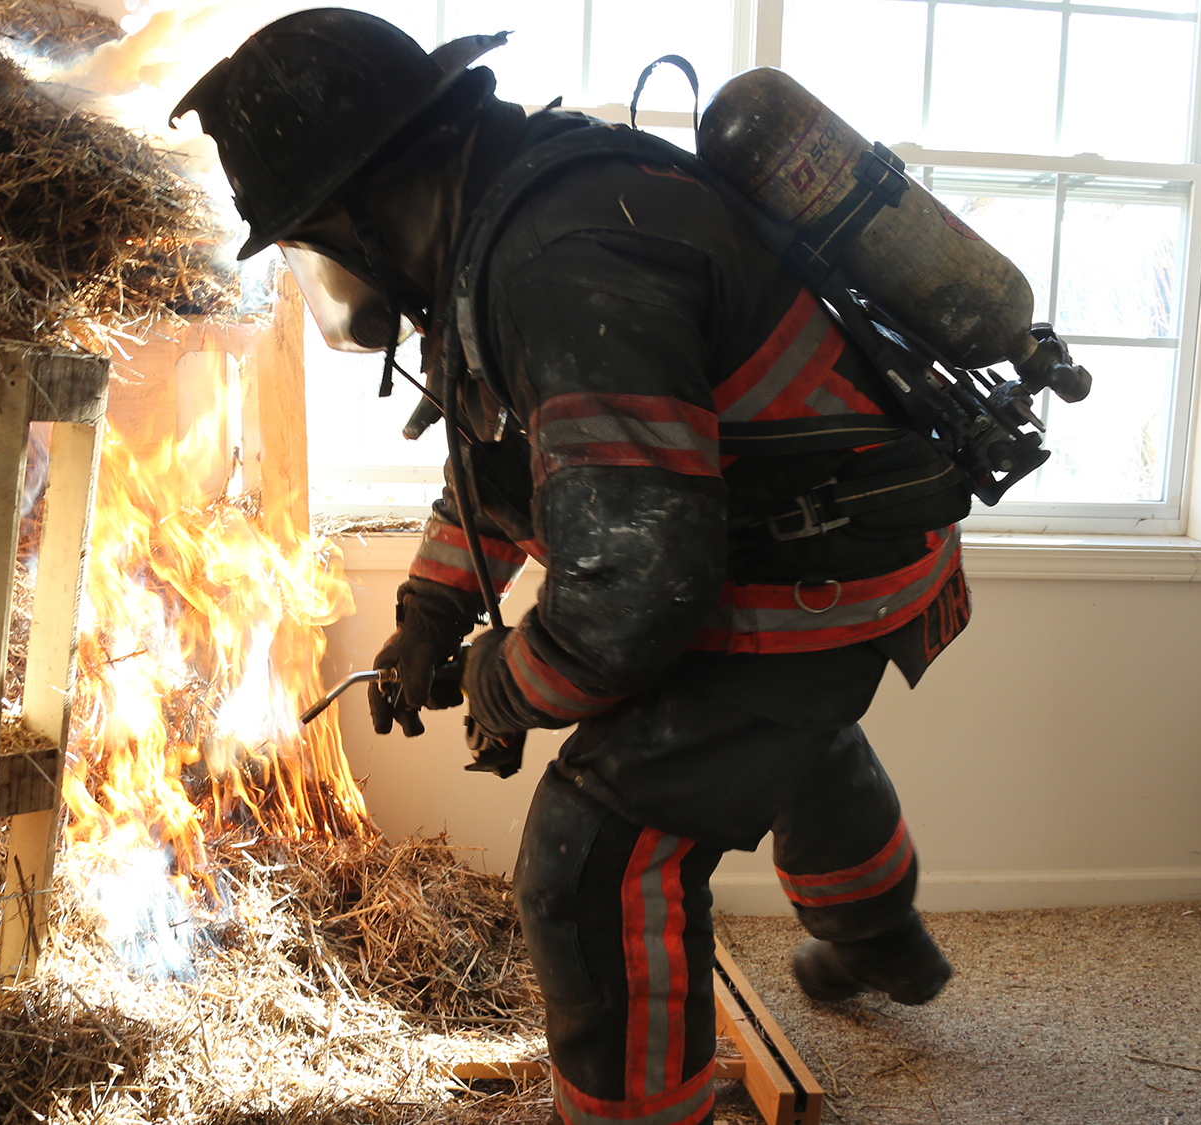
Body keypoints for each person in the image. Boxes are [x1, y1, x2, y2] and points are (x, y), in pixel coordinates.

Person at [174, 10, 966, 1123]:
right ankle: (883, 942)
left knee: (592, 853)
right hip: (822, 561)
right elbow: (496, 465)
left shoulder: (557, 262)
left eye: (309, 240)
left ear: (356, 204)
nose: (329, 274)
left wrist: (504, 686)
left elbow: (634, 593)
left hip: (810, 580)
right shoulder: (505, 215)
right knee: (786, 740)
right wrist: (430, 610)